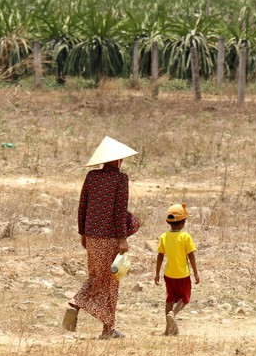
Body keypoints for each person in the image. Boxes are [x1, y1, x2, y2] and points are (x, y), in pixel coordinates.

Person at [63, 136, 140, 340]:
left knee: (96, 276)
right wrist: (123, 239)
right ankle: (106, 328)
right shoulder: (120, 179)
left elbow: (83, 206)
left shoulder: (92, 177)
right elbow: (119, 211)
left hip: (92, 236)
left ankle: (78, 305)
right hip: (110, 237)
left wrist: (83, 233)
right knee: (112, 281)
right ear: (118, 160)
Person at [154, 203, 200, 336]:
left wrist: (157, 274)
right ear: (183, 223)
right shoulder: (185, 237)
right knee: (185, 299)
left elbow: (159, 256)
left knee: (170, 299)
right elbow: (191, 256)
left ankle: (167, 330)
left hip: (168, 275)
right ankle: (173, 313)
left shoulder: (164, 237)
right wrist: (196, 273)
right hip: (183, 275)